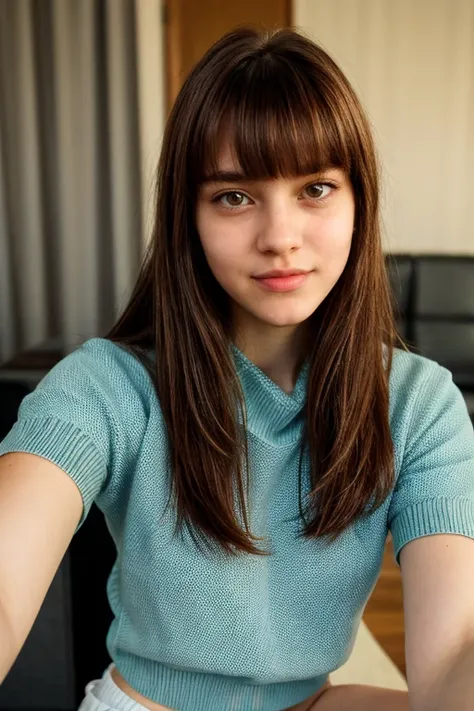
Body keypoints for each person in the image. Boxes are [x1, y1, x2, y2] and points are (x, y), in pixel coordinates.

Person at [1, 24, 474, 711]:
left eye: (315, 188)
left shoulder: (418, 402)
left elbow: (454, 651)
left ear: (357, 203)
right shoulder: (109, 386)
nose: (280, 237)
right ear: (187, 217)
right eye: (234, 196)